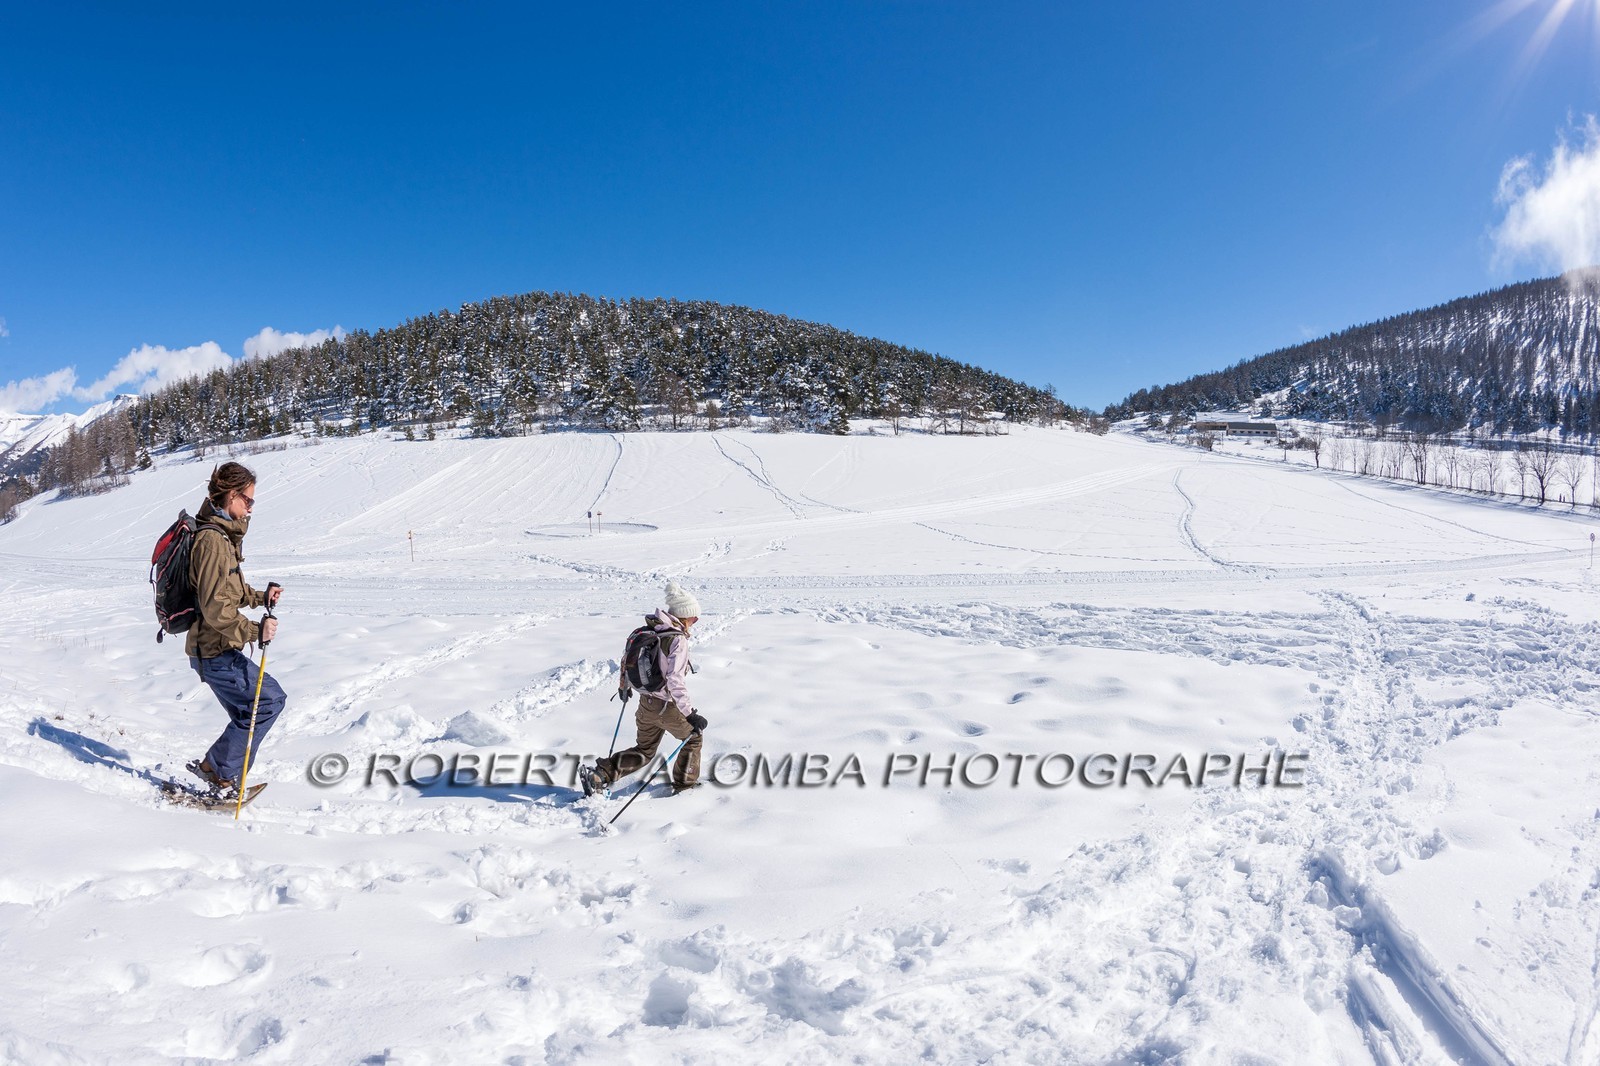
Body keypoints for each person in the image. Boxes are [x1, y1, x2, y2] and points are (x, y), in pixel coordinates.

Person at [184, 462, 287, 796]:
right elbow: (216, 608)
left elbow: (229, 591)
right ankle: (218, 771)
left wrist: (260, 597)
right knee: (267, 701)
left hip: (217, 648)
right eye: (247, 500)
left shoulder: (222, 536)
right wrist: (257, 632)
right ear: (230, 495)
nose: (250, 508)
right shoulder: (212, 540)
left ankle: (219, 772)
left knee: (252, 711)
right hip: (213, 652)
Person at [583, 581, 707, 795]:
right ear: (685, 616)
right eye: (694, 618)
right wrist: (689, 715)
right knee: (693, 738)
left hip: (645, 705)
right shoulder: (677, 640)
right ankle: (685, 787)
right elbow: (674, 680)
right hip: (667, 707)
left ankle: (600, 774)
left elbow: (626, 661)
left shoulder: (645, 632)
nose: (694, 623)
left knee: (645, 750)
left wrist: (624, 687)